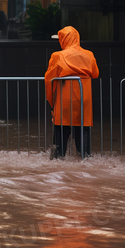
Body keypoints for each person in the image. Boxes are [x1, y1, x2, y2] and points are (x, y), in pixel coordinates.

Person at [45, 26, 99, 159]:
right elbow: (95, 73)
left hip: (64, 100)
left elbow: (49, 80)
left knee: (61, 137)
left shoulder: (58, 56)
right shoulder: (89, 54)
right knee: (83, 135)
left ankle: (58, 162)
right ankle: (85, 164)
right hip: (84, 99)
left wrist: (51, 102)